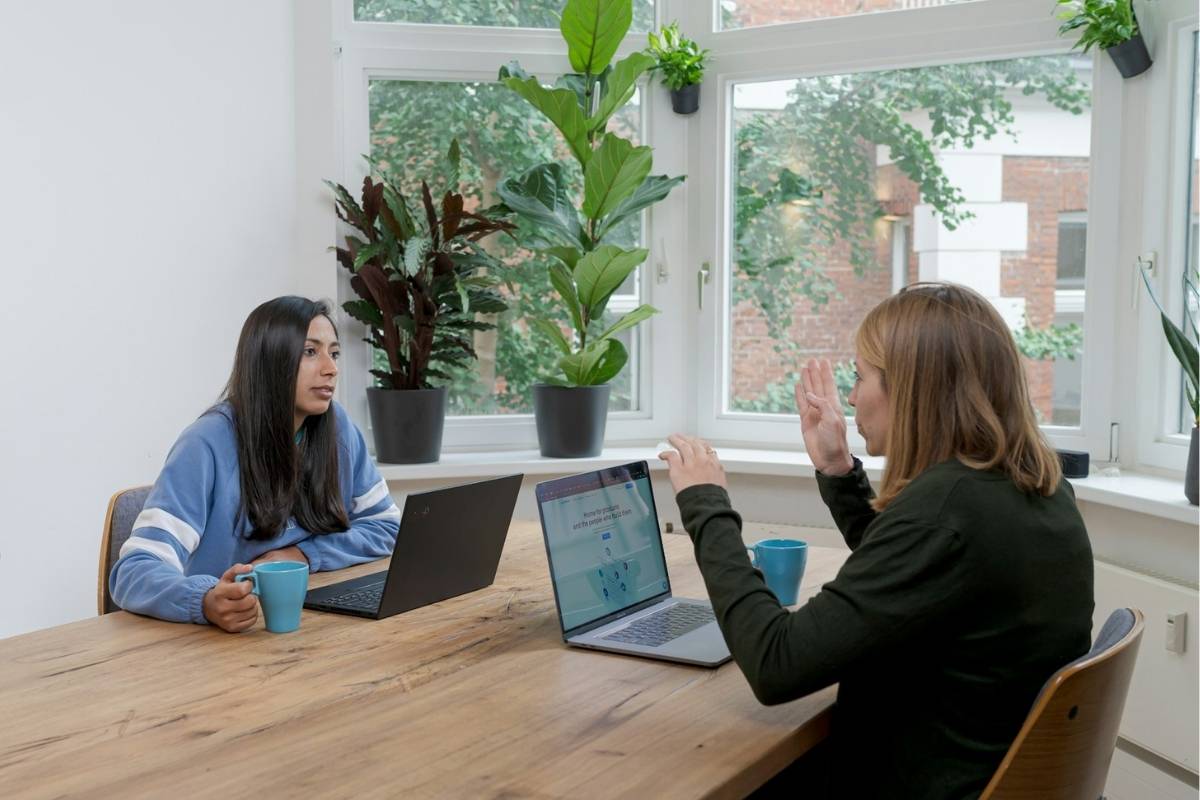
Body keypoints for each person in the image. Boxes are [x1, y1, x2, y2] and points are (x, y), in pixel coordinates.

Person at [659, 283, 1094, 799]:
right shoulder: (1030, 488)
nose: (849, 395)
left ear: (911, 390)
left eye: (861, 377)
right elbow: (913, 580)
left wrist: (706, 505)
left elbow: (776, 664)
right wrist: (839, 470)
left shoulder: (946, 513)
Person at [110, 296, 401, 632]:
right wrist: (204, 599)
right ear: (269, 360)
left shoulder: (338, 429)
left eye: (333, 353)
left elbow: (385, 527)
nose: (330, 368)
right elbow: (133, 571)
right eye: (310, 352)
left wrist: (305, 555)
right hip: (210, 647)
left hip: (308, 630)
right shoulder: (205, 443)